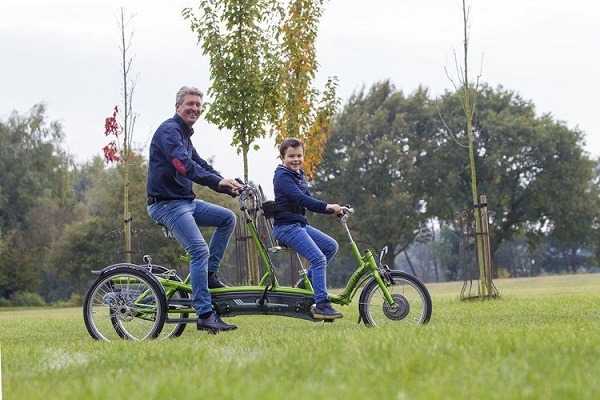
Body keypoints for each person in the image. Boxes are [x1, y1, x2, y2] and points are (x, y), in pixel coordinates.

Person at [146, 85, 243, 332]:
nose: (195, 109)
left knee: (227, 218)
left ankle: (209, 275)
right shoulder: (169, 131)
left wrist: (225, 184)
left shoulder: (184, 134)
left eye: (199, 105)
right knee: (199, 250)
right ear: (177, 106)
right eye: (190, 104)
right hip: (167, 205)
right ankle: (205, 313)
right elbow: (184, 164)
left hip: (185, 202)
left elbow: (200, 163)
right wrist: (215, 182)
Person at [272, 137, 344, 320]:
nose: (296, 159)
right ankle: (321, 304)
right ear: (282, 158)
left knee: (330, 246)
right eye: (291, 156)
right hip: (286, 227)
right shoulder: (282, 176)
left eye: (299, 155)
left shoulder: (299, 174)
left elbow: (309, 201)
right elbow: (301, 199)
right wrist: (328, 206)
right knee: (318, 258)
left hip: (299, 225)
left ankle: (306, 284)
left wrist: (334, 211)